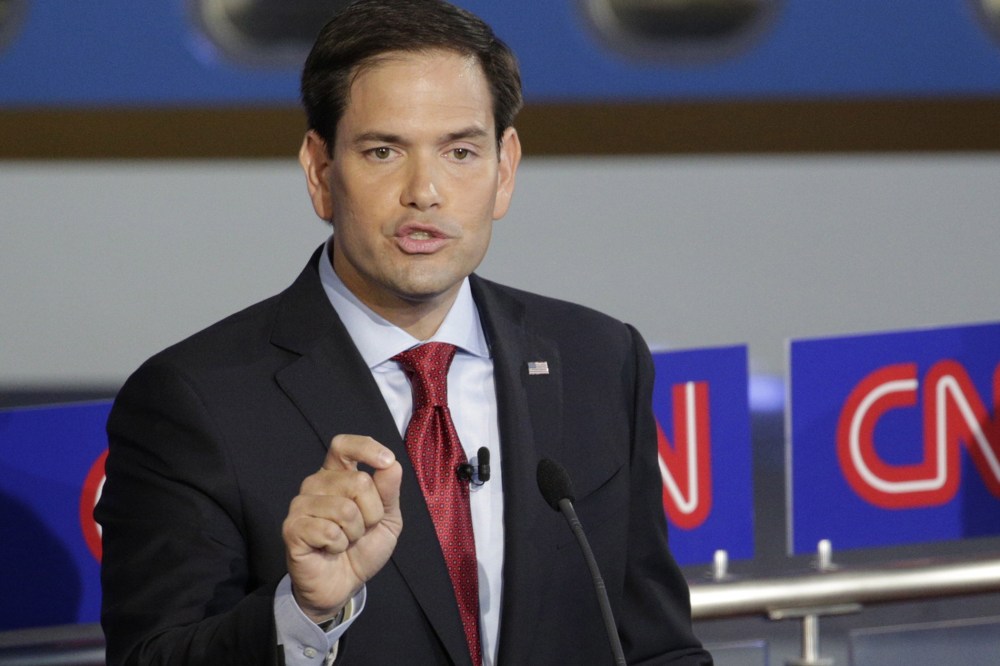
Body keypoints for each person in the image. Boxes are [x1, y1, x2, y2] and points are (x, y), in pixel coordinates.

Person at [96, 1, 713, 664]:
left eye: (460, 151)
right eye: (384, 151)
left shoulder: (599, 359)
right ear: (320, 170)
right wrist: (304, 612)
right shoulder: (195, 401)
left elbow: (655, 647)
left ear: (504, 170)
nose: (425, 192)